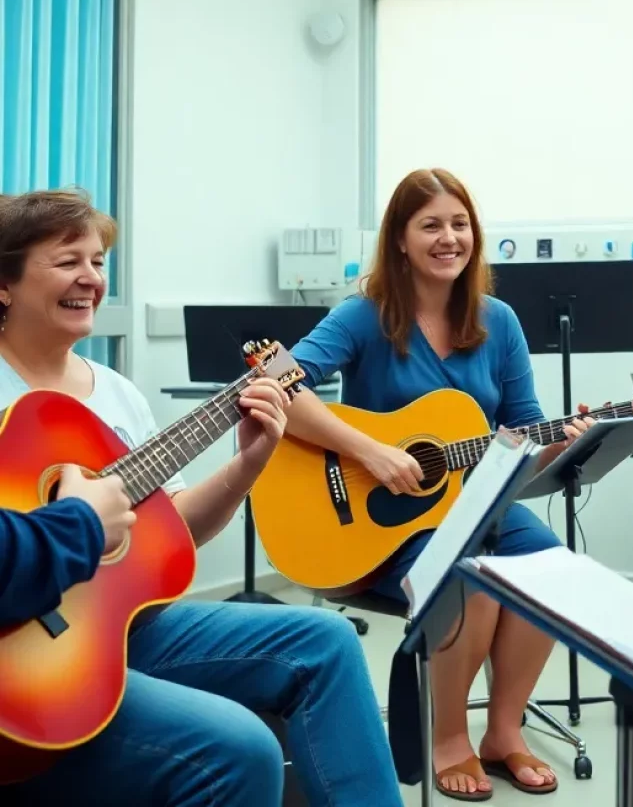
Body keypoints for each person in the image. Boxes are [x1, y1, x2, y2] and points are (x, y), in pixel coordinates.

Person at [0, 188, 401, 807]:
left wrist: (248, 464)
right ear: (5, 283)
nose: (91, 278)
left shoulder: (116, 393)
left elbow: (172, 530)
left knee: (330, 642)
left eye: (100, 261)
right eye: (67, 261)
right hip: (35, 649)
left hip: (130, 622)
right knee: (241, 747)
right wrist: (74, 522)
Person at [286, 168, 595, 801]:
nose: (448, 237)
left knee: (553, 572)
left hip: (476, 504)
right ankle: (447, 736)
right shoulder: (363, 316)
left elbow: (524, 434)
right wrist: (369, 450)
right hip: (381, 522)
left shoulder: (498, 320)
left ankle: (503, 732)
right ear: (400, 239)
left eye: (460, 224)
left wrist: (561, 443)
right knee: (474, 581)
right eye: (431, 225)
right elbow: (277, 388)